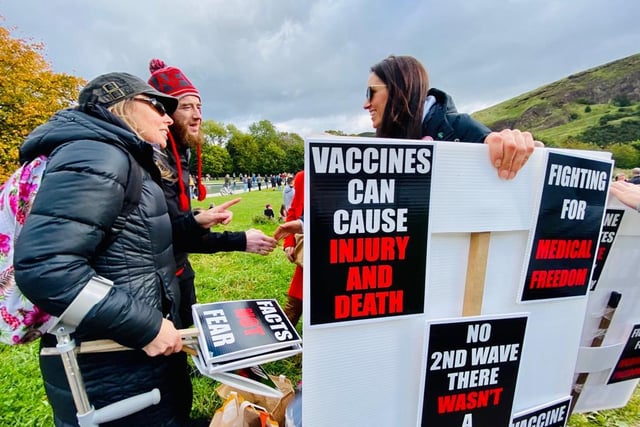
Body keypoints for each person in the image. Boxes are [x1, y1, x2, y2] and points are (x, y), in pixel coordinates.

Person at [14, 73, 191, 426]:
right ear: (119, 105)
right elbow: (47, 267)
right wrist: (147, 326)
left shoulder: (113, 153)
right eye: (157, 105)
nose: (168, 118)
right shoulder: (99, 153)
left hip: (126, 363)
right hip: (112, 370)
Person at [147, 59, 277, 327]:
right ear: (164, 113)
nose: (197, 115)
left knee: (187, 345)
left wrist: (198, 216)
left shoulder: (179, 153)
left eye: (199, 107)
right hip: (155, 282)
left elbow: (172, 219)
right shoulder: (152, 158)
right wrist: (240, 240)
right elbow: (161, 236)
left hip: (178, 272)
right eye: (186, 107)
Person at [364, 55, 542, 178]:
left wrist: (512, 147)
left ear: (399, 90)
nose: (366, 104)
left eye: (371, 92)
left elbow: (496, 145)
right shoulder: (384, 141)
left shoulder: (459, 128)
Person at [280, 170, 305, 326]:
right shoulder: (302, 177)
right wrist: (289, 242)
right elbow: (294, 211)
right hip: (308, 246)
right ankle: (284, 339)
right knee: (296, 296)